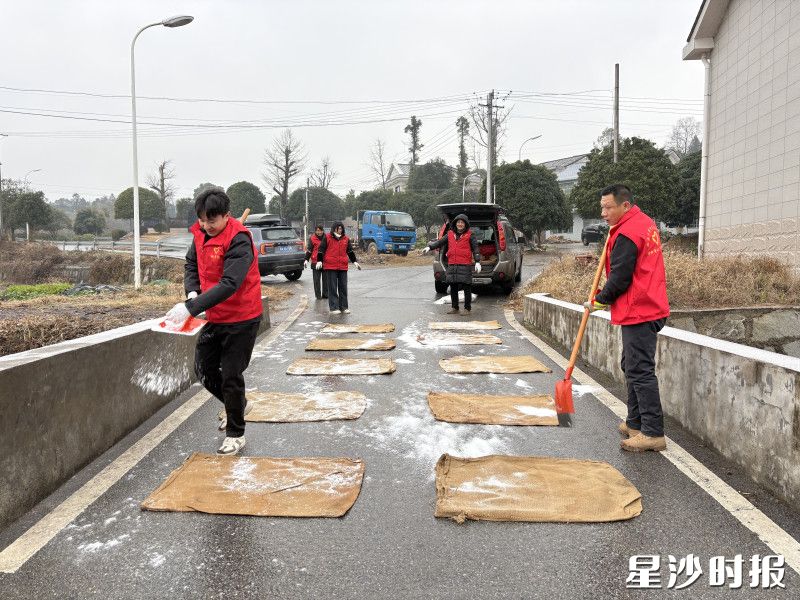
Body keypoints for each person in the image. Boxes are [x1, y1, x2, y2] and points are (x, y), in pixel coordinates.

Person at [165, 187, 262, 456]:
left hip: (242, 317)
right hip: (215, 314)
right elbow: (190, 264)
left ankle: (235, 433)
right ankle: (239, 404)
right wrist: (192, 290)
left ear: (227, 215)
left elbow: (231, 283)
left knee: (231, 374)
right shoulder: (199, 233)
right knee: (205, 370)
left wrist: (192, 307)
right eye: (202, 220)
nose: (206, 226)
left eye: (212, 220)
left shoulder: (239, 240)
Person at [585, 184, 670, 452]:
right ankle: (635, 421)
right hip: (646, 303)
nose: (603, 212)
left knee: (640, 370)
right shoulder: (642, 223)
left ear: (624, 205)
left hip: (641, 308)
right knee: (630, 364)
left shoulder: (628, 233)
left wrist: (599, 300)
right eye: (602, 207)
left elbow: (620, 277)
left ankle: (653, 432)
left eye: (608, 207)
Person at [423, 213, 481, 315]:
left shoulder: (470, 235)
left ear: (465, 224)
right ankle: (455, 307)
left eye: (462, 222)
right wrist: (429, 247)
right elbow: (439, 242)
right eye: (458, 222)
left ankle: (467, 309)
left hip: (465, 264)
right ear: (455, 223)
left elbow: (476, 248)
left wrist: (477, 261)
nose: (460, 224)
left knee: (467, 286)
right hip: (452, 264)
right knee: (453, 286)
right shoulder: (449, 234)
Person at [316, 221, 361, 314]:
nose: (340, 230)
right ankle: (334, 307)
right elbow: (321, 250)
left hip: (343, 266)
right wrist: (319, 261)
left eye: (341, 228)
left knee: (343, 287)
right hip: (330, 266)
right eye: (338, 228)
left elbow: (350, 251)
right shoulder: (327, 237)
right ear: (334, 229)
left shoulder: (346, 239)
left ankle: (344, 307)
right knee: (332, 287)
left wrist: (355, 261)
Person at [305, 224, 328, 300]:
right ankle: (318, 296)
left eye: (320, 230)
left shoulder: (327, 238)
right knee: (316, 280)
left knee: (326, 280)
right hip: (315, 261)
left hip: (325, 261)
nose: (319, 232)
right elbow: (309, 250)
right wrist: (306, 259)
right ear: (315, 231)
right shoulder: (312, 238)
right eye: (317, 230)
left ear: (323, 231)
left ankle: (325, 294)